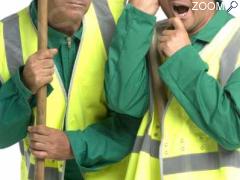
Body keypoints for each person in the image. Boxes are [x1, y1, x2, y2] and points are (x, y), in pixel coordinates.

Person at [0, 0, 142, 179]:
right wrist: (23, 85)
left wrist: (73, 145)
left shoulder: (117, 14)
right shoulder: (5, 37)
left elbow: (134, 124)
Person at [105, 0, 240, 179]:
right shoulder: (146, 34)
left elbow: (233, 130)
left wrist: (181, 57)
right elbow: (123, 102)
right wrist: (138, 17)